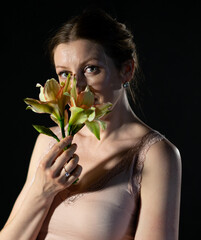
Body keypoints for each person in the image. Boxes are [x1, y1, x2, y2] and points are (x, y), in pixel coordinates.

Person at [0, 9, 182, 240]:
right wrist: (42, 190)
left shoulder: (155, 154)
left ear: (126, 70)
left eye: (91, 69)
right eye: (65, 74)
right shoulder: (49, 141)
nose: (77, 87)